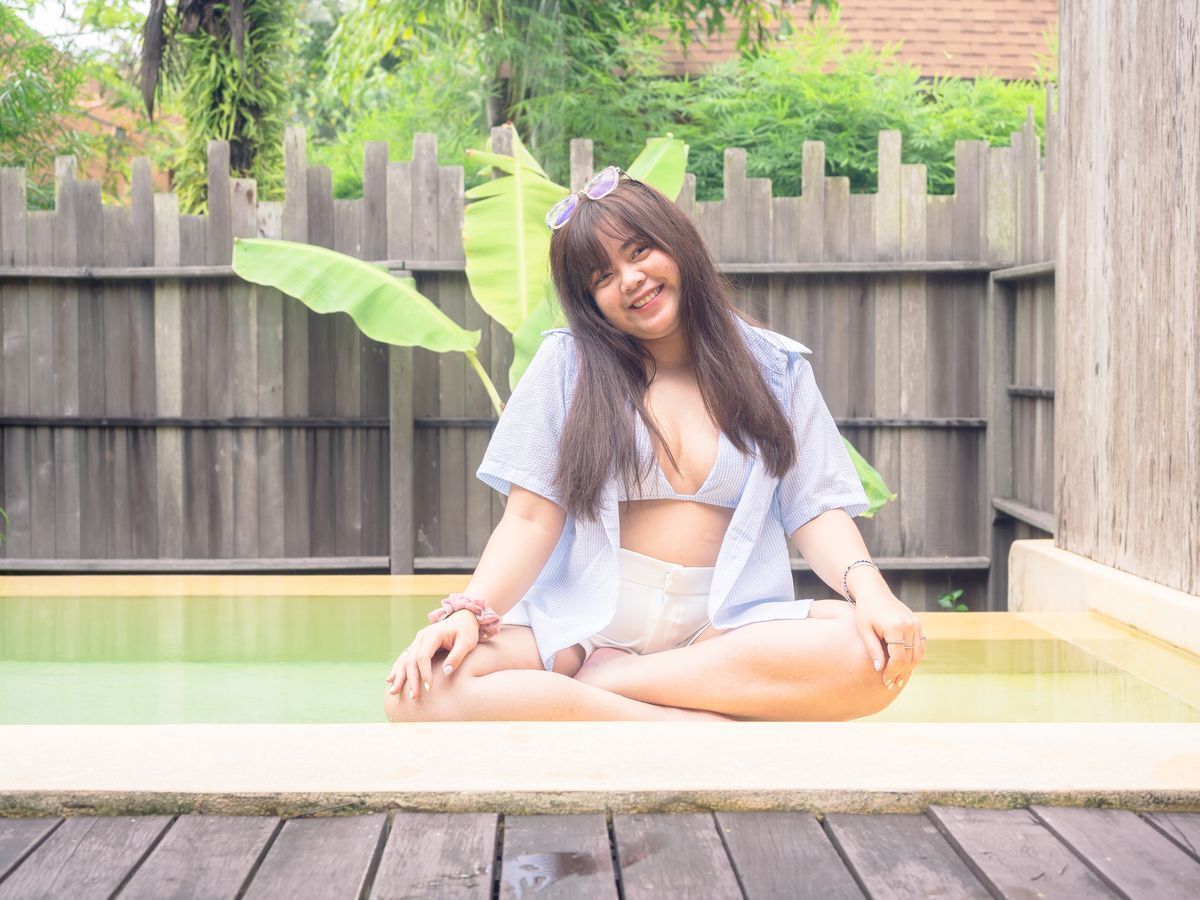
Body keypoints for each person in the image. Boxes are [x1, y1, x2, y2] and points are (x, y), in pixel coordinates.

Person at [384, 168, 925, 722]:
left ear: (677, 243)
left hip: (723, 629)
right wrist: (471, 613)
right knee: (416, 695)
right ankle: (676, 724)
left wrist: (873, 593)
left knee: (872, 654)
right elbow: (528, 520)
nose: (630, 279)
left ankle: (625, 683)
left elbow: (815, 509)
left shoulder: (774, 368)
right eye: (602, 276)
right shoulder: (567, 365)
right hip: (590, 622)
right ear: (590, 300)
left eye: (640, 251)